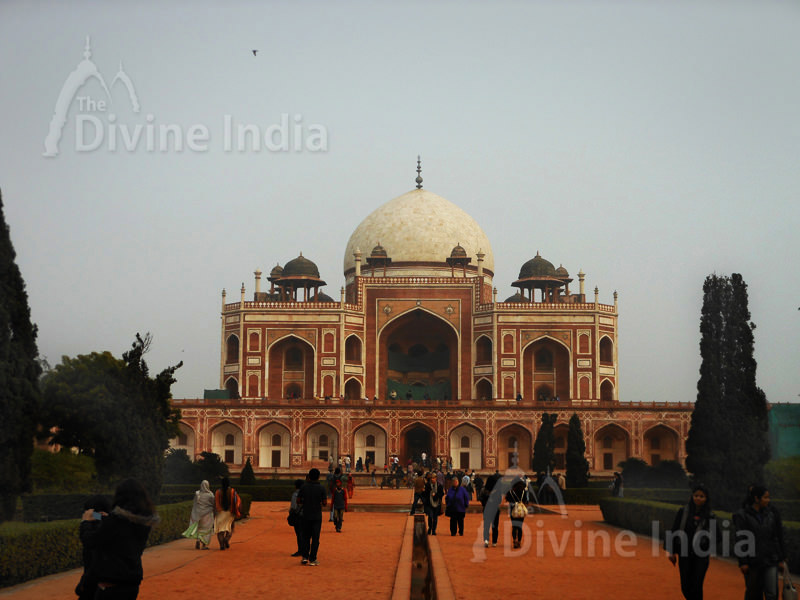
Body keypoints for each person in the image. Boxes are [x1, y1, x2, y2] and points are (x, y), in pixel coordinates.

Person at [79, 478, 159, 600]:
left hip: (111, 585)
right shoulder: (143, 522)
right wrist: (103, 517)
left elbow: (90, 540)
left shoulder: (115, 521)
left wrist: (85, 522)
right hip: (132, 583)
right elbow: (121, 531)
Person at [733, 485, 786, 600]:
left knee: (772, 593)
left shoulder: (771, 514)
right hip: (753, 561)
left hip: (770, 559)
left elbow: (776, 537)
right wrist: (743, 562)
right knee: (753, 594)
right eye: (765, 497)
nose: (768, 500)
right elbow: (740, 538)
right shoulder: (742, 515)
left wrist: (781, 559)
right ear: (757, 498)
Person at [665, 484, 715, 600]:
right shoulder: (683, 512)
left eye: (701, 496)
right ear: (692, 496)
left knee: (696, 585)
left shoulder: (710, 516)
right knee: (685, 586)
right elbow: (674, 530)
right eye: (696, 495)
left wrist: (705, 543)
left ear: (706, 498)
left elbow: (716, 536)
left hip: (701, 555)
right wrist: (671, 551)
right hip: (684, 553)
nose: (698, 498)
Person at [75, 494, 111, 600]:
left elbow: (93, 565)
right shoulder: (115, 527)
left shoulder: (93, 533)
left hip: (95, 585)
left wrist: (85, 522)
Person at [297, 467, 327, 565]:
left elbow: (298, 501)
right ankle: (313, 559)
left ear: (309, 476)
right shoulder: (321, 488)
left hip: (306, 514)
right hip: (317, 516)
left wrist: (305, 502)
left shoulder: (304, 487)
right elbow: (325, 503)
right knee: (315, 538)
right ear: (318, 477)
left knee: (305, 537)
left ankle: (305, 557)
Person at [182, 480, 214, 550]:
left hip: (198, 514)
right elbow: (213, 504)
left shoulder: (197, 494)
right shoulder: (210, 494)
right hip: (207, 514)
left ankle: (198, 540)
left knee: (199, 528)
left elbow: (195, 504)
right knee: (206, 529)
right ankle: (204, 545)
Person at [214, 477, 241, 550]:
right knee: (230, 528)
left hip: (220, 513)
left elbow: (215, 504)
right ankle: (226, 539)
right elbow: (237, 502)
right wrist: (236, 511)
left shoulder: (218, 492)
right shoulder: (232, 491)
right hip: (230, 513)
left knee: (220, 531)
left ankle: (221, 545)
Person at [506, 477, 529, 549]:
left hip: (513, 510)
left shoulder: (510, 491)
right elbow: (526, 500)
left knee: (514, 526)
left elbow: (507, 499)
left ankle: (514, 540)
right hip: (520, 510)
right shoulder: (523, 491)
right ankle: (519, 542)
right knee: (520, 527)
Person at [480, 471, 501, 548]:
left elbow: (481, 499)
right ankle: (494, 541)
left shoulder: (484, 491)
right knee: (495, 526)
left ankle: (486, 540)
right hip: (495, 509)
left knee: (486, 525)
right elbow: (499, 501)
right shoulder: (497, 491)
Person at [289, 479, 304, 557]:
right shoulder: (306, 493)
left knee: (299, 534)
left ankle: (300, 550)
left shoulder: (295, 494)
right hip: (306, 516)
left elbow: (294, 507)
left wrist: (290, 513)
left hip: (298, 516)